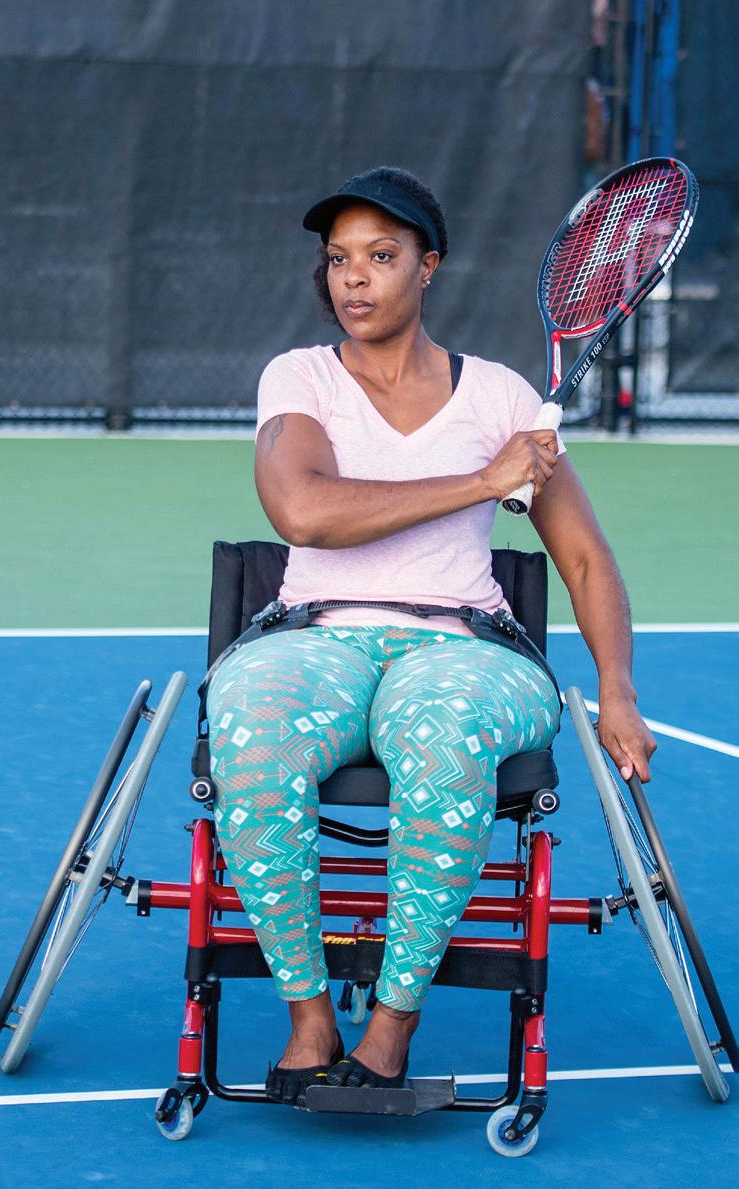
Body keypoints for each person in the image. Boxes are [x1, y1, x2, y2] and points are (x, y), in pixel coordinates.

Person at [206, 166, 657, 1103]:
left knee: (440, 730)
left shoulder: (501, 399)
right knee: (249, 721)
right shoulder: (299, 377)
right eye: (339, 258)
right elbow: (303, 510)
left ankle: (392, 1023)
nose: (354, 277)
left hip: (466, 647)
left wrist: (618, 689)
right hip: (315, 634)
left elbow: (584, 559)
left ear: (429, 265)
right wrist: (482, 481)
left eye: (381, 255)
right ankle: (309, 1016)